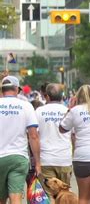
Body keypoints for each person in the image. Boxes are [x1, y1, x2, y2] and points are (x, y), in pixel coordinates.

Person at [0, 76, 41, 204]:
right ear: (17, 89)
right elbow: (33, 136)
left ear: (2, 90)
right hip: (18, 157)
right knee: (16, 197)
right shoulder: (26, 106)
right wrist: (38, 162)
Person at [36, 83, 72, 200]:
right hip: (64, 159)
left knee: (48, 196)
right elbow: (75, 135)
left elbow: (33, 135)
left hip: (46, 159)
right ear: (62, 97)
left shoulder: (39, 111)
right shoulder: (68, 111)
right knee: (64, 196)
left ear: (47, 97)